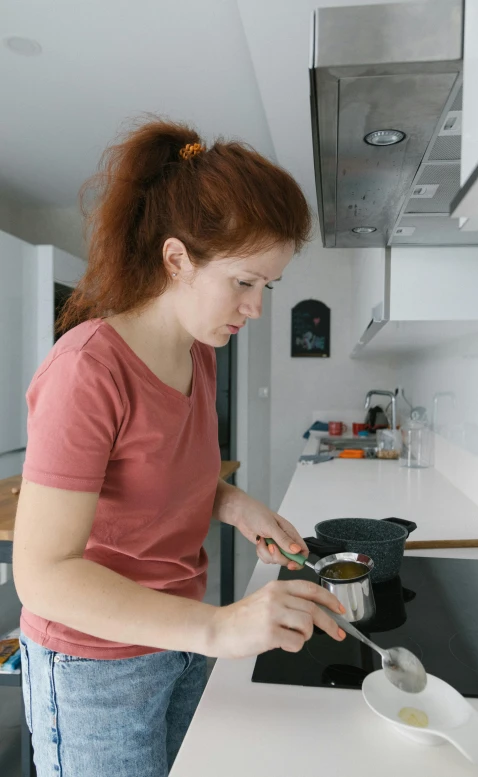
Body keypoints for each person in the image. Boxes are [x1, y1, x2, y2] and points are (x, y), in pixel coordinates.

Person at [13, 119, 347, 777]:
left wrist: (235, 505)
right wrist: (222, 628)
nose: (255, 308)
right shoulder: (87, 370)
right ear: (176, 259)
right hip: (94, 667)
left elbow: (161, 472)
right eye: (245, 282)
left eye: (267, 287)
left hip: (177, 634)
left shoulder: (199, 353)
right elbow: (43, 573)